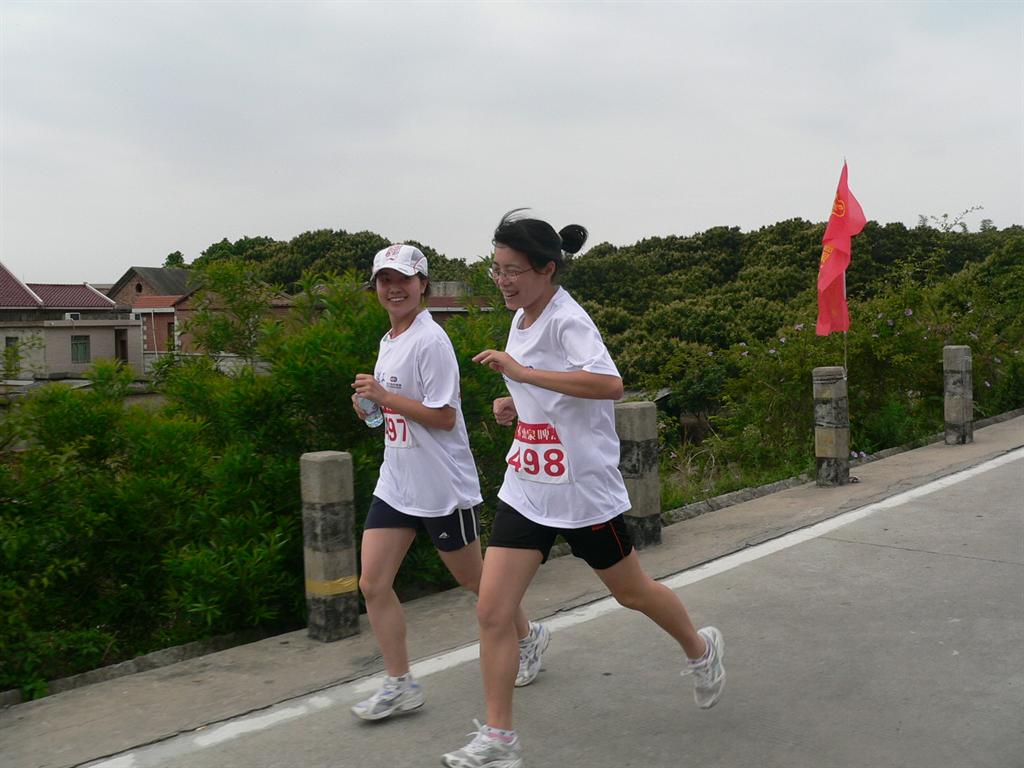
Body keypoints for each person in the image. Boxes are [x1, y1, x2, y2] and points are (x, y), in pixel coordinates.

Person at [441, 213, 725, 767]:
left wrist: (523, 376)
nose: (503, 281)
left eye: (513, 271)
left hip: (581, 489)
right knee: (493, 611)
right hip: (529, 484)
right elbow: (548, 390)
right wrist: (516, 403)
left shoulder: (567, 319)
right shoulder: (521, 316)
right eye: (497, 269)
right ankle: (500, 739)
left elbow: (608, 384)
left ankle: (700, 647)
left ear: (547, 269)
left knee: (632, 592)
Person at [350, 244, 548, 722]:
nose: (393, 289)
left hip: (441, 486)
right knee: (372, 583)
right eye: (384, 280)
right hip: (397, 481)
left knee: (478, 582)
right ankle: (400, 683)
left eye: (403, 280)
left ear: (423, 285)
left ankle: (528, 637)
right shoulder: (390, 339)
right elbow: (392, 414)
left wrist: (385, 396)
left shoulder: (430, 341)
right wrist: (370, 409)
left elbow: (443, 417)